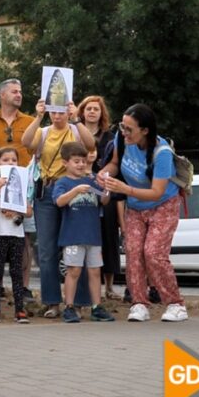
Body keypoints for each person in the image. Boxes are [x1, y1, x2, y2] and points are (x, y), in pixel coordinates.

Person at [97, 104, 187, 323]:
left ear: (145, 130)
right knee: (133, 250)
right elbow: (115, 163)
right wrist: (104, 173)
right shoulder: (121, 138)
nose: (124, 132)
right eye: (122, 126)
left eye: (129, 129)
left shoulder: (161, 152)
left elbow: (156, 192)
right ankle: (139, 304)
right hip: (136, 207)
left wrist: (125, 189)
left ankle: (176, 304)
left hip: (163, 204)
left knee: (153, 253)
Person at [23, 99, 95, 318]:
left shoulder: (75, 129)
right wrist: (37, 116)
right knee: (46, 249)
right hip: (47, 192)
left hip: (73, 192)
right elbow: (26, 143)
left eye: (61, 111)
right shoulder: (43, 132)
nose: (57, 115)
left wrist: (77, 118)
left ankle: (80, 302)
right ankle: (52, 302)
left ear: (67, 110)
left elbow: (91, 145)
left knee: (78, 245)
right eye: (53, 111)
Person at [0, 78, 37, 299]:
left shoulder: (31, 121)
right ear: (2, 95)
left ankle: (24, 286)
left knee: (25, 237)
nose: (19, 95)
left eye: (20, 91)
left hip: (23, 186)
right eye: (14, 91)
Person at [52, 142, 116, 323]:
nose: (81, 165)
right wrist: (75, 190)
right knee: (73, 271)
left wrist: (107, 189)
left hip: (93, 236)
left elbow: (103, 201)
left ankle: (96, 307)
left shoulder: (92, 180)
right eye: (76, 161)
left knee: (95, 272)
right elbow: (59, 202)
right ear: (65, 163)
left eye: (83, 161)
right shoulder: (62, 182)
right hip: (72, 237)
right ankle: (69, 307)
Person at [77, 94, 122, 301]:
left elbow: (117, 162)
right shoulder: (75, 133)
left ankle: (110, 286)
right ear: (82, 112)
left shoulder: (111, 137)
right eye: (89, 108)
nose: (92, 112)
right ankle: (86, 287)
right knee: (85, 238)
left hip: (106, 191)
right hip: (81, 191)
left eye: (96, 109)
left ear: (101, 113)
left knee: (109, 239)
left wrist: (101, 176)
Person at [0, 147, 32, 324]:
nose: (10, 163)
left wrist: (16, 211)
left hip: (16, 235)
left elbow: (29, 211)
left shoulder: (21, 183)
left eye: (13, 160)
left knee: (16, 273)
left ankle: (20, 310)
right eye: (5, 160)